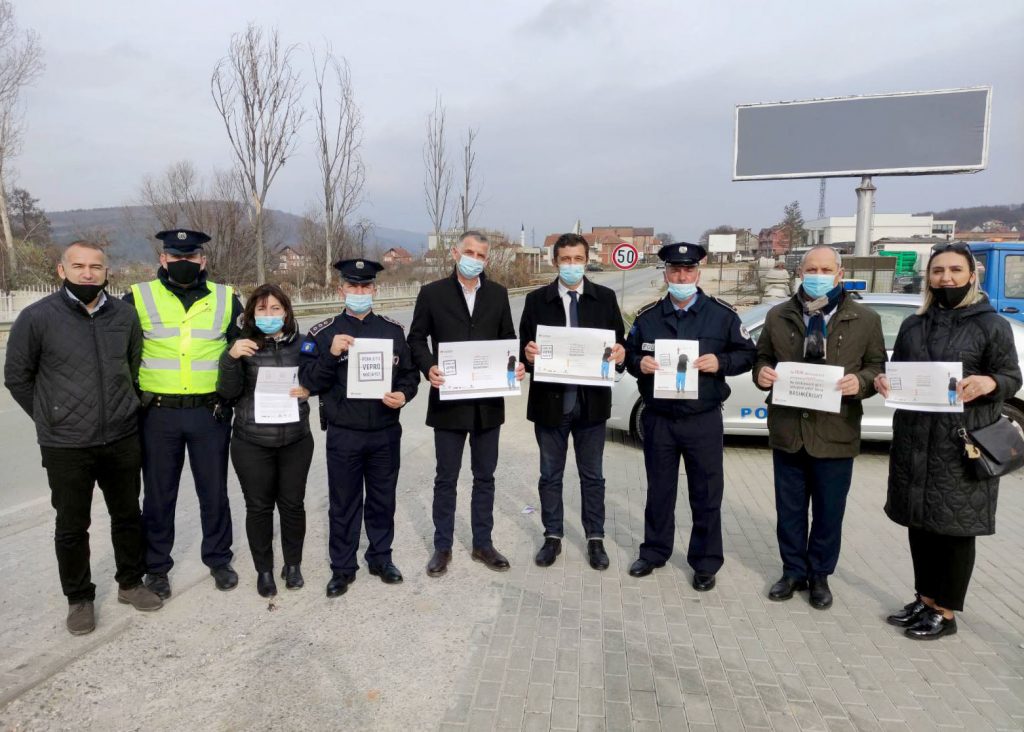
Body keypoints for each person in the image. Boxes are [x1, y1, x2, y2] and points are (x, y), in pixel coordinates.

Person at [4, 241, 163, 634]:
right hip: (65, 445)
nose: (88, 273)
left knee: (127, 515)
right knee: (72, 525)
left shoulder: (124, 316)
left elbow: (132, 366)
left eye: (96, 266)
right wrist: (50, 418)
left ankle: (129, 582)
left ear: (107, 271)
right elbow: (17, 377)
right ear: (62, 271)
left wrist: (129, 405)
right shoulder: (37, 317)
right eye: (79, 266)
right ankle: (79, 598)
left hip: (121, 438)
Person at [875, 242, 1021, 639]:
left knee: (954, 531)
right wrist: (884, 381)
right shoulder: (914, 324)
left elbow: (1012, 377)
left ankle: (946, 611)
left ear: (972, 275)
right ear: (929, 278)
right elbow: (898, 371)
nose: (947, 278)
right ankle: (924, 598)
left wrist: (990, 382)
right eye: (938, 271)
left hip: (960, 444)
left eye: (956, 270)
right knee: (920, 525)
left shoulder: (991, 325)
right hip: (916, 440)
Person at [753, 246, 886, 609]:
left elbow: (877, 368)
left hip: (836, 430)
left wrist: (861, 382)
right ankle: (792, 571)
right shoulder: (778, 315)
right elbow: (762, 357)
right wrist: (761, 374)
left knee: (829, 511)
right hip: (789, 430)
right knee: (790, 509)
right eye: (811, 268)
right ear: (800, 272)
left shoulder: (865, 318)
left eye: (826, 269)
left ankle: (820, 575)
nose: (818, 275)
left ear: (839, 274)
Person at [624, 242, 756, 590]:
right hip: (660, 418)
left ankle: (705, 562)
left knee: (706, 493)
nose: (681, 276)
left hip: (703, 419)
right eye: (675, 270)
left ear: (698, 272)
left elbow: (748, 354)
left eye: (688, 270)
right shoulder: (648, 316)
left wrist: (721, 363)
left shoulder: (722, 315)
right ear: (665, 273)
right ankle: (653, 552)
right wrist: (640, 363)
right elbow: (629, 353)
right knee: (659, 491)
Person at [124, 229, 245, 599]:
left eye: (190, 257)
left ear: (202, 261)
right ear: (163, 259)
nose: (183, 263)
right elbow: (123, 354)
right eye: (175, 257)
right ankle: (157, 568)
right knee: (159, 495)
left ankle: (219, 559)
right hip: (158, 414)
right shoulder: (138, 297)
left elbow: (241, 350)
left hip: (209, 413)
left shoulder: (226, 298)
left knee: (214, 491)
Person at [300, 259, 419, 598]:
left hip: (384, 431)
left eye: (365, 287)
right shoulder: (323, 333)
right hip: (344, 434)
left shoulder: (392, 331)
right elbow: (308, 381)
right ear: (342, 290)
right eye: (353, 286)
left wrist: (404, 394)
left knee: (382, 500)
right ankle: (342, 568)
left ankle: (381, 558)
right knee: (344, 503)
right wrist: (331, 355)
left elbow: (410, 374)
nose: (360, 292)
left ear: (374, 290)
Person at [408, 231, 525, 576]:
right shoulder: (432, 294)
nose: (474, 258)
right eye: (469, 252)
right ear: (455, 253)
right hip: (450, 401)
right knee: (446, 477)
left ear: (487, 260)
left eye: (481, 255)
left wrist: (514, 364)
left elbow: (507, 338)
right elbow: (415, 338)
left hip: (487, 402)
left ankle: (482, 544)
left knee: (484, 476)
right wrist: (428, 365)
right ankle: (442, 546)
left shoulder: (498, 294)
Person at [519, 233, 625, 570]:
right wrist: (529, 353)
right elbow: (524, 346)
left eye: (577, 259)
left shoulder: (604, 298)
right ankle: (552, 536)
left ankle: (595, 538)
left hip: (591, 404)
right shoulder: (537, 300)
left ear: (586, 260)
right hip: (551, 403)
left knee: (592, 476)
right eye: (565, 259)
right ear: (555, 262)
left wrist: (621, 354)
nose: (571, 265)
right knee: (550, 474)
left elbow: (620, 347)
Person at [217, 284, 313, 598]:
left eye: (275, 309)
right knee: (258, 508)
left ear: (286, 312)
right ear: (251, 314)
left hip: (295, 440)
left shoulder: (303, 345)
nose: (269, 315)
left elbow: (319, 378)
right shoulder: (241, 347)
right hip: (252, 441)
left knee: (292, 505)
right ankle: (265, 570)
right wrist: (231, 359)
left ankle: (293, 565)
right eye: (261, 309)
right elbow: (228, 394)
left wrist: (309, 389)